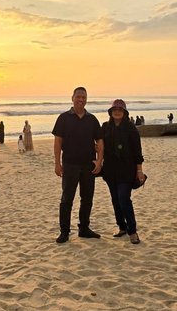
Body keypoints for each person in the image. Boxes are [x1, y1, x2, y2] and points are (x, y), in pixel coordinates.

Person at [52, 87, 103, 244]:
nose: (81, 99)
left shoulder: (92, 119)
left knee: (87, 198)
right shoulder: (63, 118)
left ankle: (84, 229)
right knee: (67, 199)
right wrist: (57, 163)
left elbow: (100, 141)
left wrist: (99, 161)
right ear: (72, 98)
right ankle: (64, 232)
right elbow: (58, 141)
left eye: (84, 97)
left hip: (88, 165)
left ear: (86, 99)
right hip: (70, 164)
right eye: (78, 97)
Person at [102, 99, 145, 244]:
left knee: (124, 200)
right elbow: (99, 144)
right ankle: (122, 227)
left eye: (120, 109)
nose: (117, 111)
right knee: (115, 200)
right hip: (110, 170)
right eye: (115, 109)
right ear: (111, 112)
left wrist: (139, 171)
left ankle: (132, 231)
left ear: (125, 112)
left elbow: (137, 152)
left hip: (127, 170)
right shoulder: (106, 127)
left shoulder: (131, 128)